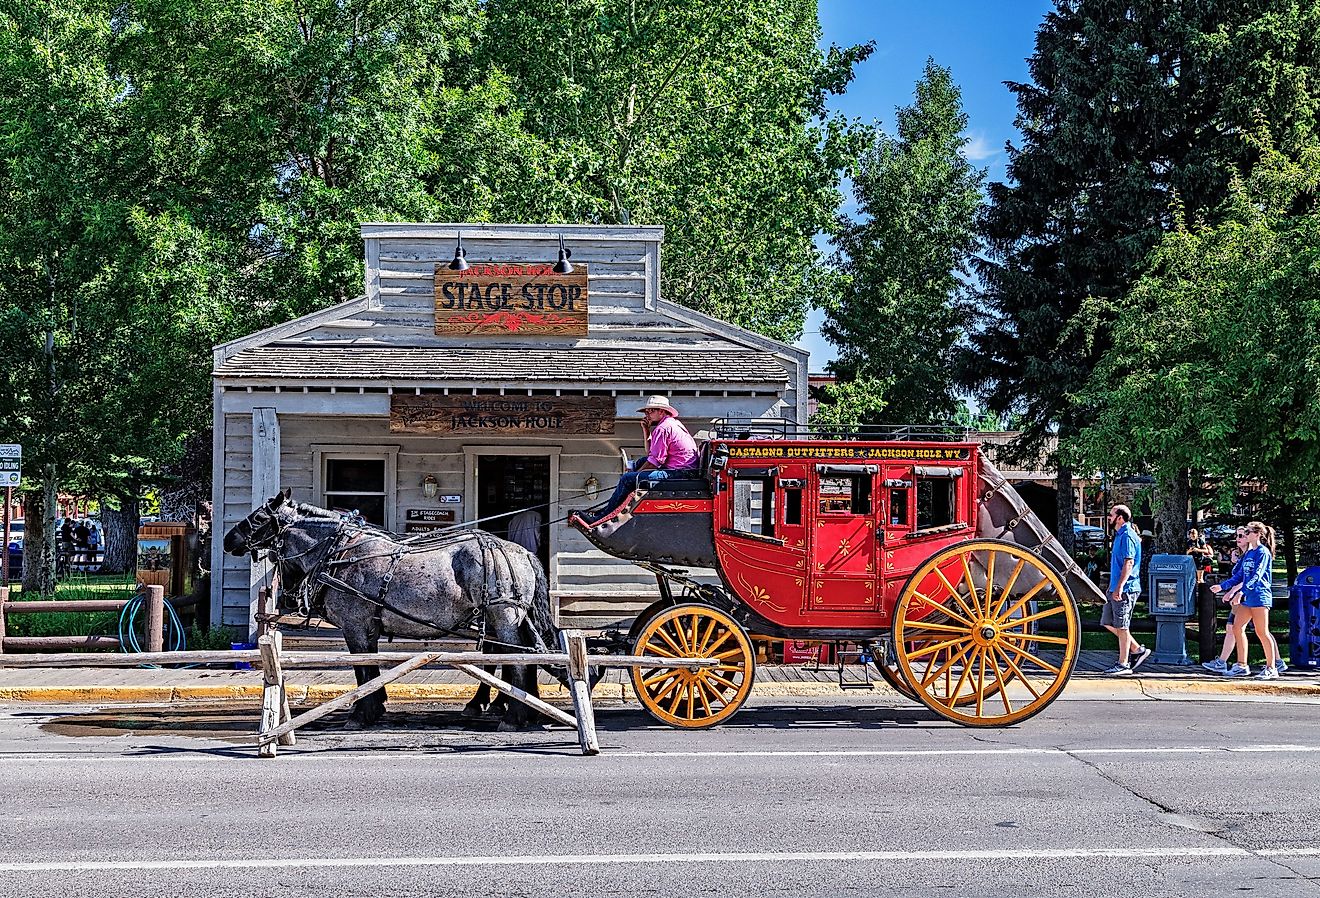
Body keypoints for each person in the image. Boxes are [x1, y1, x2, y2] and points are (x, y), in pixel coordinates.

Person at [586, 395, 700, 520]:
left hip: (678, 474)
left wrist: (636, 475)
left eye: (651, 411)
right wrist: (646, 430)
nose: (647, 414)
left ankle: (605, 515)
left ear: (662, 411)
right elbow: (651, 453)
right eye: (646, 411)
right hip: (685, 471)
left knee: (627, 479)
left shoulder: (663, 428)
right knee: (640, 462)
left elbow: (654, 462)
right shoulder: (672, 424)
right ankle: (609, 509)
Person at [1203, 528, 1287, 676]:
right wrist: (1223, 587)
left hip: (1260, 597)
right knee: (1236, 628)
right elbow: (1240, 576)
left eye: (1248, 532)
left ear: (1258, 535)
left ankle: (1272, 667)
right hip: (1248, 599)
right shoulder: (1249, 553)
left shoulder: (1263, 552)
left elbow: (1257, 576)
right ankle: (1241, 666)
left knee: (1262, 632)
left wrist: (1241, 592)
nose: (1244, 535)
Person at [1102, 504, 1151, 675]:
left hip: (1126, 588)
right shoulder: (1119, 535)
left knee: (1122, 626)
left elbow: (1128, 563)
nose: (1109, 517)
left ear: (1120, 518)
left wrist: (1120, 587)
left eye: (1111, 514)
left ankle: (1123, 664)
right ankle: (1137, 649)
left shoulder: (1128, 536)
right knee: (1107, 622)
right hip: (1115, 587)